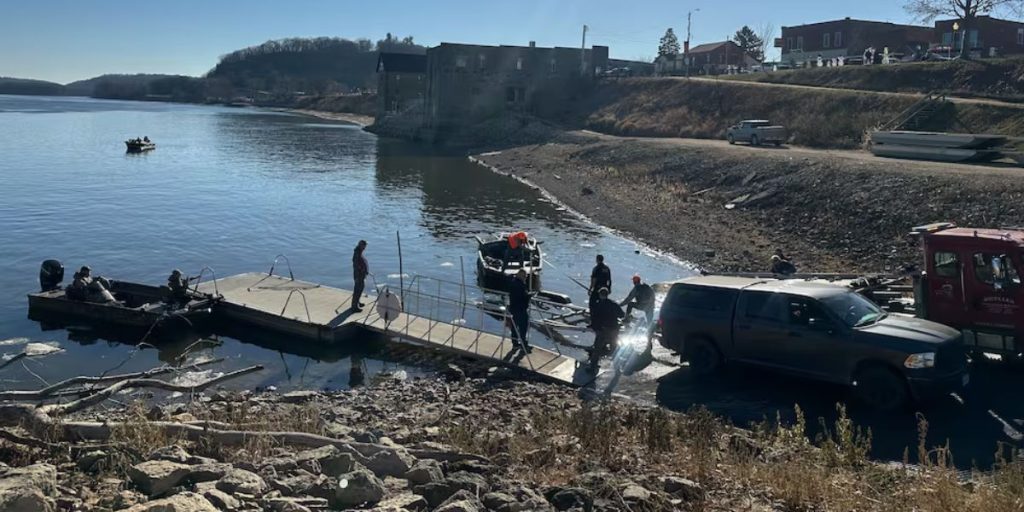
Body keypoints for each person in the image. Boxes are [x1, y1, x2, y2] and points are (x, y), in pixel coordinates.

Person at [589, 287, 625, 369]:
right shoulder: (613, 304)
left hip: (603, 329)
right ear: (607, 294)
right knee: (614, 347)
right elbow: (622, 314)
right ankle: (618, 365)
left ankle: (593, 366)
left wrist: (594, 327)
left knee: (597, 348)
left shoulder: (598, 305)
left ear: (600, 295)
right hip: (614, 329)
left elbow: (595, 318)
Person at [507, 269, 533, 352]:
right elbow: (523, 296)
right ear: (521, 276)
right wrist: (530, 295)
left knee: (514, 327)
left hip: (514, 308)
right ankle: (523, 345)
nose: (525, 278)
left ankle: (515, 344)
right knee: (523, 327)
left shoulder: (513, 282)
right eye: (525, 276)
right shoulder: (520, 285)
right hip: (520, 309)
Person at [351, 240, 369, 312]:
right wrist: (359, 275)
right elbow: (356, 265)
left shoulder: (359, 252)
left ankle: (357, 302)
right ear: (361, 245)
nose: (365, 247)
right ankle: (354, 306)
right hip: (359, 276)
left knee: (360, 289)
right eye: (364, 246)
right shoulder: (357, 253)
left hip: (361, 275)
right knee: (357, 290)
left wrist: (365, 270)